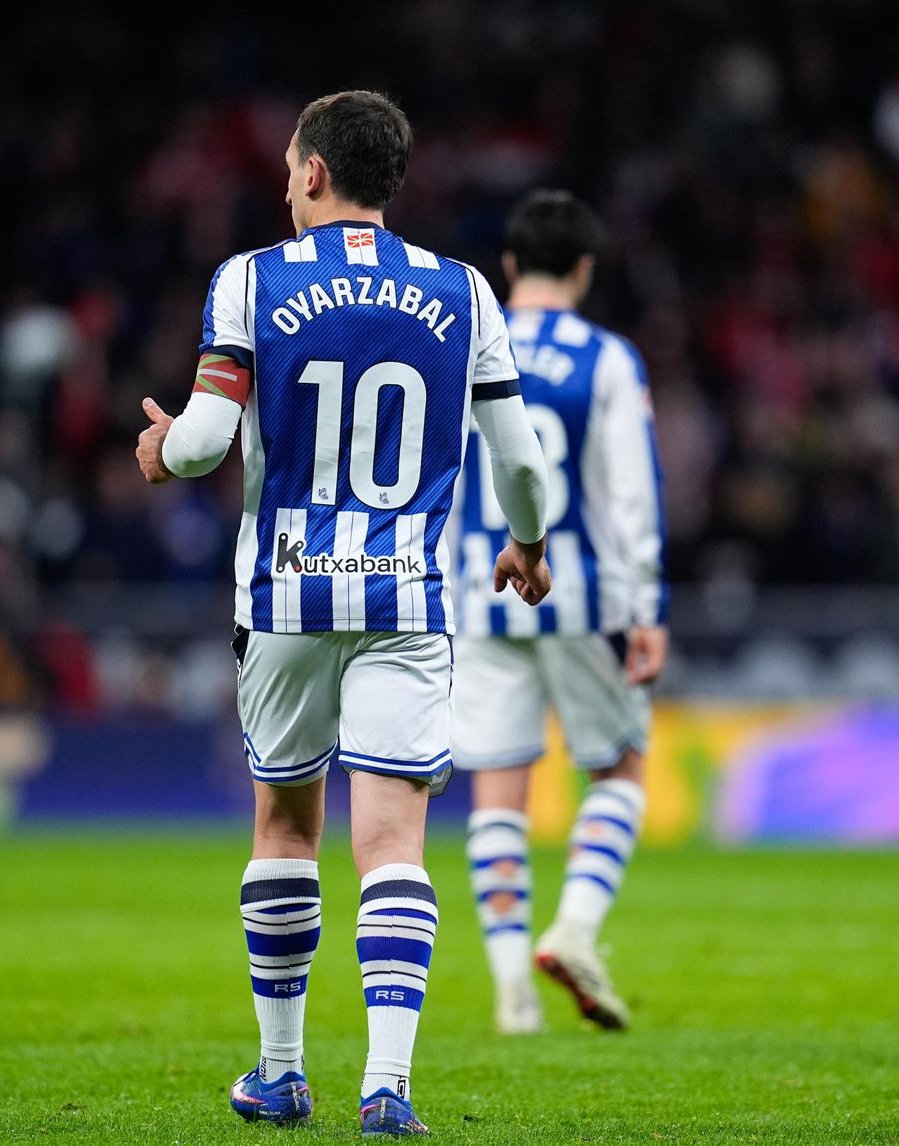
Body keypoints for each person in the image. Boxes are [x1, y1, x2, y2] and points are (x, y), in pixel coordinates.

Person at [135, 91, 552, 1137]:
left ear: (314, 173)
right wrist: (528, 545)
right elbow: (520, 464)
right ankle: (389, 1086)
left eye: (287, 168)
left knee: (284, 820)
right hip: (405, 594)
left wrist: (156, 451)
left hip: (284, 591)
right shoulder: (462, 293)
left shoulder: (249, 281)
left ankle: (280, 1076)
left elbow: (197, 446)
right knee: (392, 840)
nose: (283, 184)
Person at [451, 189, 668, 1035]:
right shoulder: (607, 358)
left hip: (477, 590)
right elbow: (631, 493)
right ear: (584, 268)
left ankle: (511, 989)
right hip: (580, 593)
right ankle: (574, 928)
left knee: (499, 788)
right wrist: (648, 603)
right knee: (620, 768)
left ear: (509, 265)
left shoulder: (467, 343)